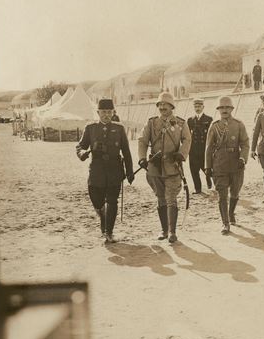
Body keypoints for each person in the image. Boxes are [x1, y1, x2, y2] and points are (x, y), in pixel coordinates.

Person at [76, 99, 134, 243]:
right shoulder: (90, 128)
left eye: (109, 112)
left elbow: (126, 152)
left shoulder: (119, 129)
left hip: (114, 171)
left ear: (113, 112)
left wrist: (129, 171)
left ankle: (109, 233)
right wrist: (82, 153)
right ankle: (103, 216)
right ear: (98, 113)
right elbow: (80, 146)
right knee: (97, 201)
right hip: (97, 172)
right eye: (103, 112)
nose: (106, 115)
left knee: (112, 202)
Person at [138, 92, 192, 243]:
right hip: (155, 168)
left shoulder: (180, 123)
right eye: (160, 105)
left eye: (165, 104)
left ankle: (172, 232)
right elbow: (142, 140)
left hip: (173, 166)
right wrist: (142, 158)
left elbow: (187, 139)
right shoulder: (151, 123)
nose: (162, 107)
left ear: (171, 106)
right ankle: (164, 230)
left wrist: (181, 154)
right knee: (161, 199)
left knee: (171, 198)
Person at [205, 96, 249, 234]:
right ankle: (225, 223)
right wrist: (208, 166)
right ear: (218, 110)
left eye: (227, 107)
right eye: (221, 108)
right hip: (220, 164)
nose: (224, 110)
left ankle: (231, 213)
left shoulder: (239, 124)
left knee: (235, 192)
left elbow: (245, 143)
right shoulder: (214, 126)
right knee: (222, 195)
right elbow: (209, 148)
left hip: (236, 164)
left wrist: (243, 158)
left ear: (231, 109)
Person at [187, 98, 213, 194]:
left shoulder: (209, 119)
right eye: (195, 106)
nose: (197, 108)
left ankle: (208, 178)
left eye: (199, 106)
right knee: (194, 170)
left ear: (203, 107)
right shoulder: (190, 120)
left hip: (204, 149)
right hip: (193, 149)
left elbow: (211, 135)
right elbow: (187, 135)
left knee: (207, 168)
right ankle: (197, 189)